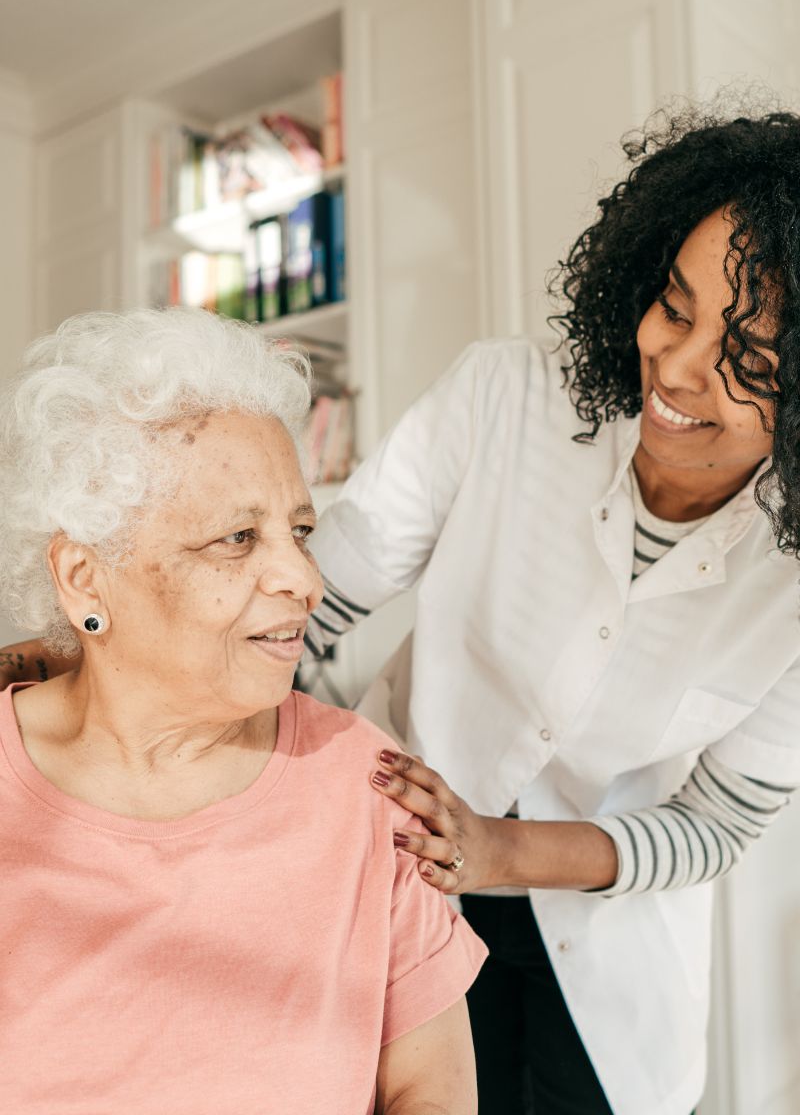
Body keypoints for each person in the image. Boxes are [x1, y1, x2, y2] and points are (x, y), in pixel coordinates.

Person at [5, 106, 800, 1115]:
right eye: (672, 308)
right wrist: (102, 656)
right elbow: (310, 592)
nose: (675, 368)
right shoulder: (504, 401)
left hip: (600, 953)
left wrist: (500, 851)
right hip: (398, 860)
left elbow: (714, 825)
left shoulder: (789, 590)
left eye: (747, 361)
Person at [0, 308, 486, 1115]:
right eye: (237, 538)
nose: (304, 579)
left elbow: (431, 1093)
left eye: (300, 531)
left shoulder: (365, 783)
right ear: (86, 580)